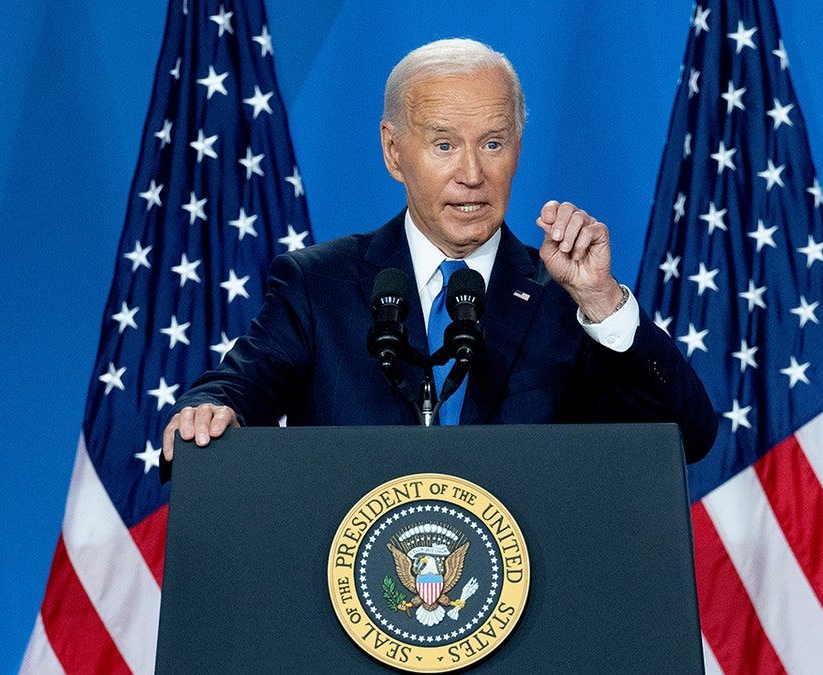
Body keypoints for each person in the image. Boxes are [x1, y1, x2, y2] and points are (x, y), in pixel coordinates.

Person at [161, 38, 716, 471]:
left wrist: (601, 301)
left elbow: (685, 437)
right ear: (394, 151)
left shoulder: (564, 299)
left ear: (518, 148)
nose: (472, 175)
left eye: (493, 143)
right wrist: (212, 408)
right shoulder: (318, 285)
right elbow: (237, 388)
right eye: (445, 145)